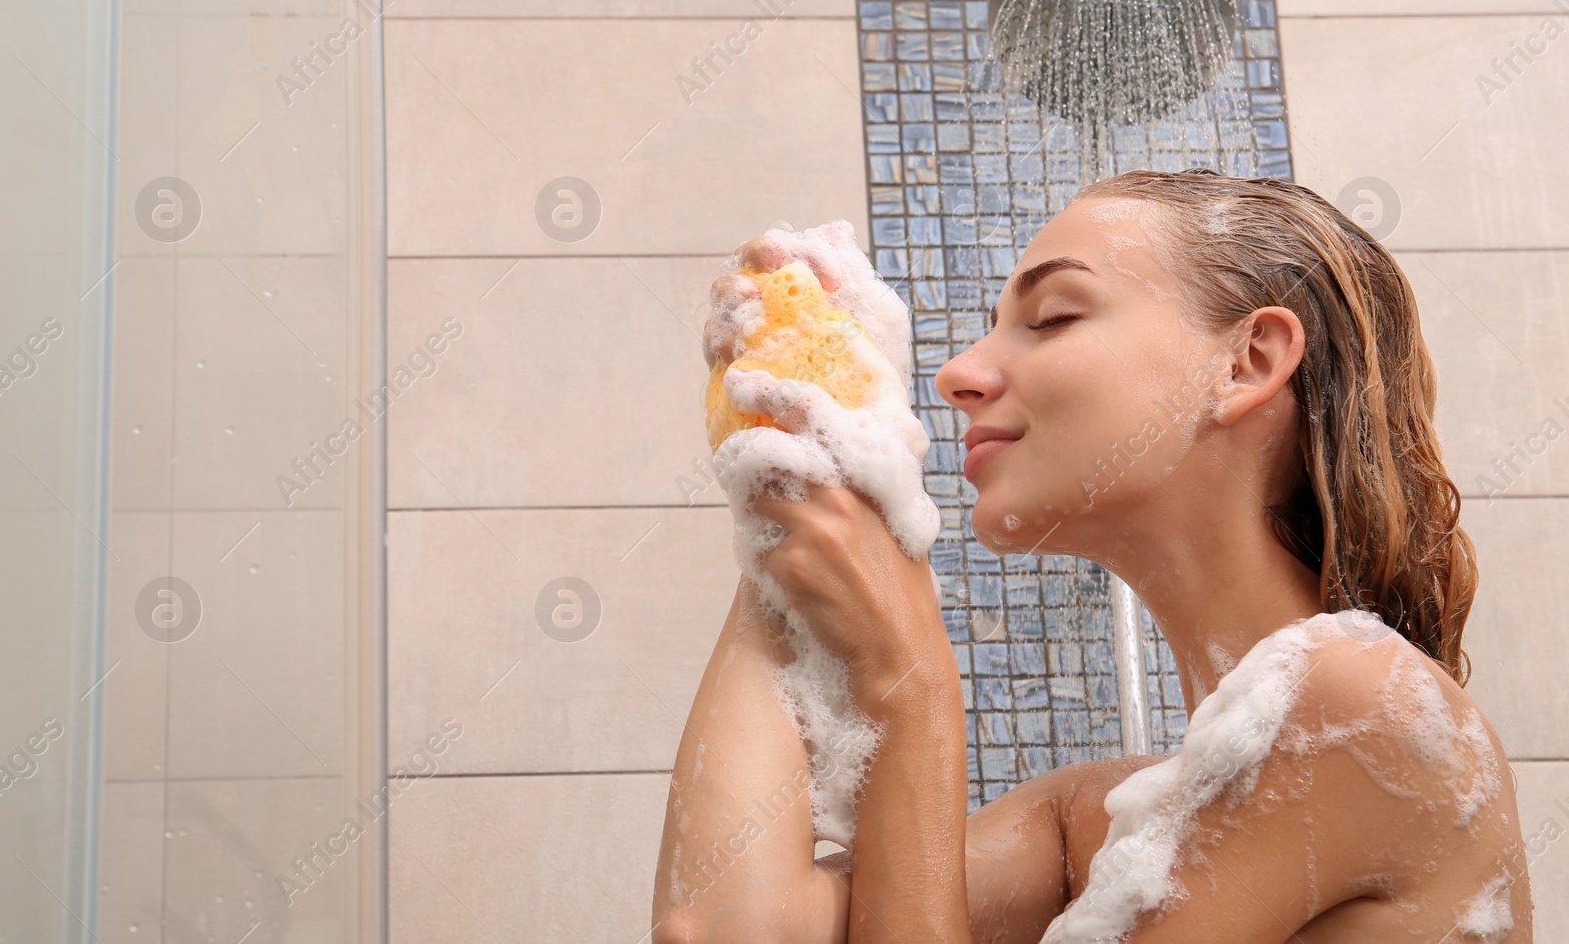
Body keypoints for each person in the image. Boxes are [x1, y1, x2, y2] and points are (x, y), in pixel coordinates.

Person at [651, 169, 1533, 943]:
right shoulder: (1100, 818)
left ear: (1247, 362)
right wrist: (795, 469)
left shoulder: (1363, 705)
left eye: (1051, 316)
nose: (960, 372)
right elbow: (725, 926)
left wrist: (912, 688)